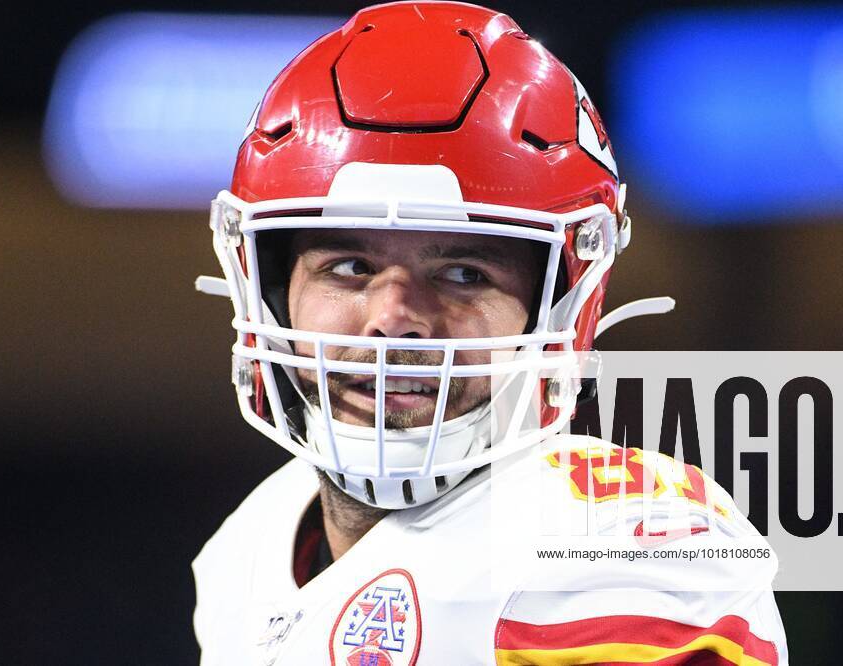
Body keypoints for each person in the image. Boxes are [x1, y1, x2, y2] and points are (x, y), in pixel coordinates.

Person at [192, 2, 788, 664]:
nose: (394, 316)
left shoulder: (620, 560)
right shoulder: (245, 551)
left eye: (463, 274)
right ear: (274, 292)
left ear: (557, 305)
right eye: (352, 266)